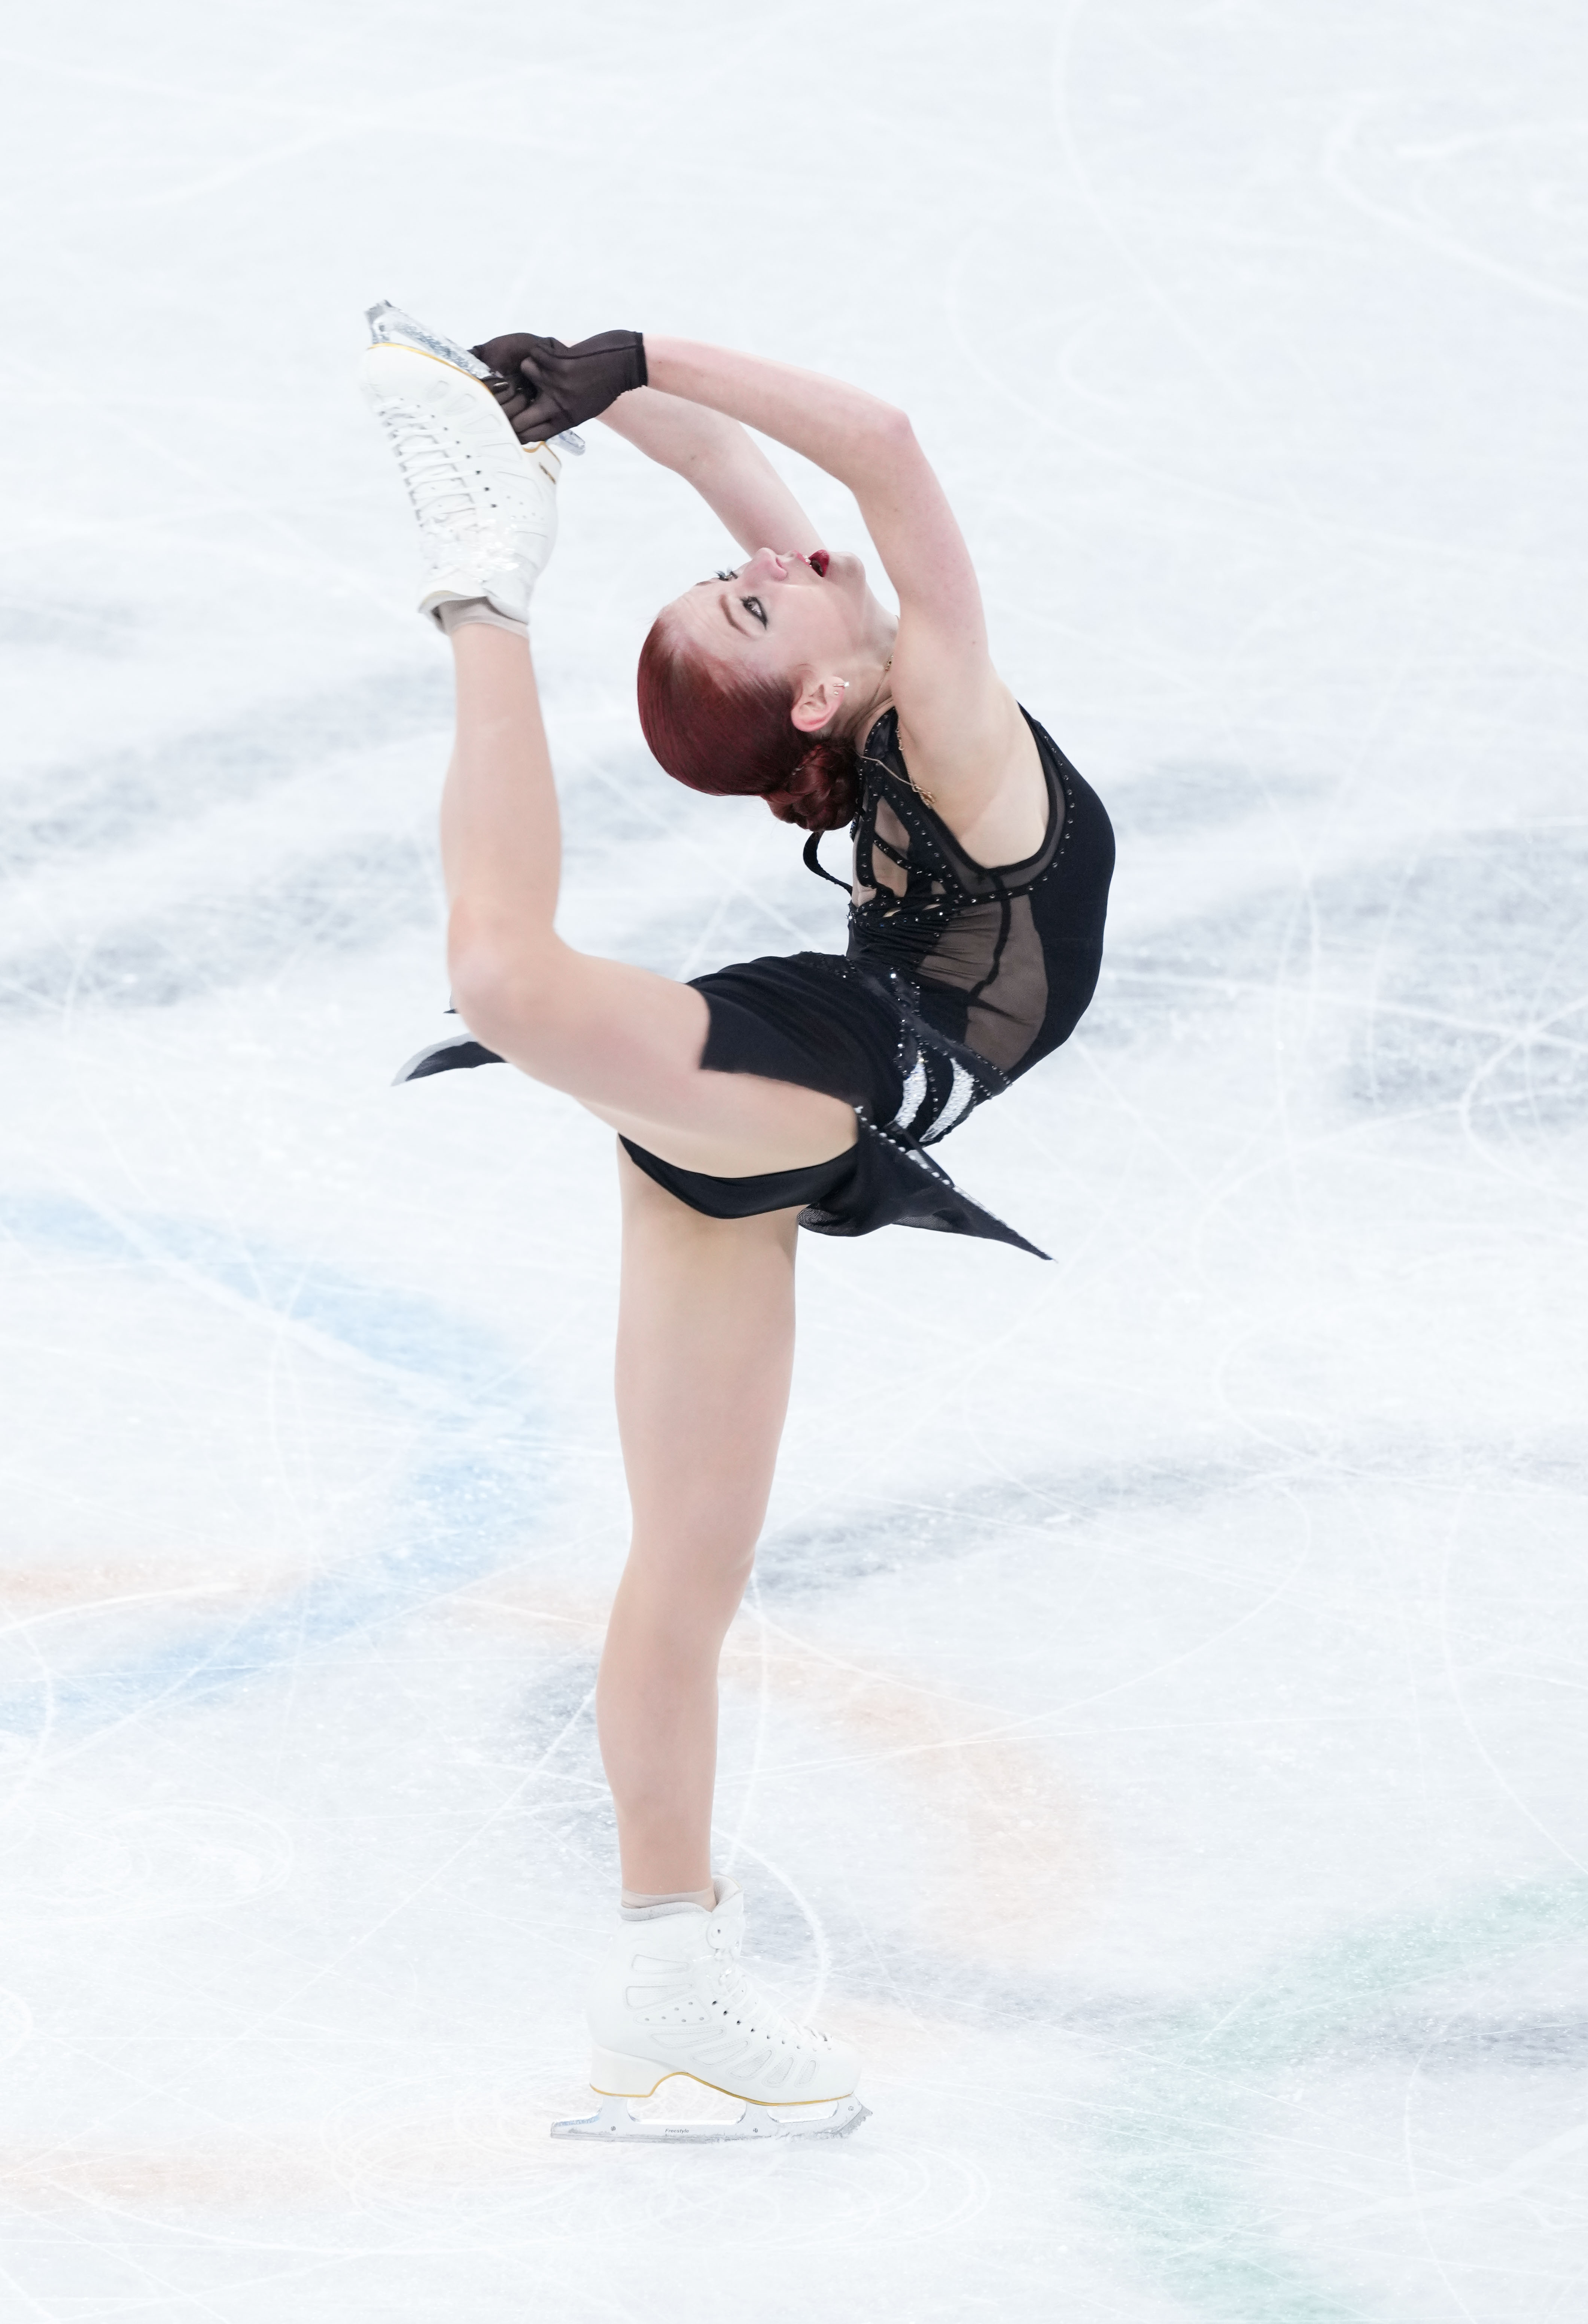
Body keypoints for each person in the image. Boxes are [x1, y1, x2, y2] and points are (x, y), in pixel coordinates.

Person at [359, 310, 1114, 2142]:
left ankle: (660, 1982)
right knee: (509, 978)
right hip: (825, 1068)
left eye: (744, 585)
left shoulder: (853, 694)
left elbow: (733, 476)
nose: (768, 567)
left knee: (681, 1566)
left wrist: (597, 391)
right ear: (811, 698)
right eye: (754, 607)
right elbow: (888, 439)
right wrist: (640, 347)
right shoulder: (939, 702)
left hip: (781, 1118)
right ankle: (481, 591)